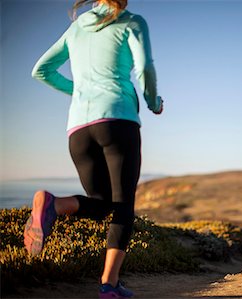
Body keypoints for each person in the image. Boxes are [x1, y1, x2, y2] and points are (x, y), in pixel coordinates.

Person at [24, 0, 163, 297]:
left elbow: (41, 70)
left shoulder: (76, 27)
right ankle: (108, 286)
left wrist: (81, 91)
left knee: (101, 205)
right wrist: (154, 102)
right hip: (117, 119)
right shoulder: (132, 21)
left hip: (78, 129)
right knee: (123, 206)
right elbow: (145, 68)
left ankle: (54, 204)